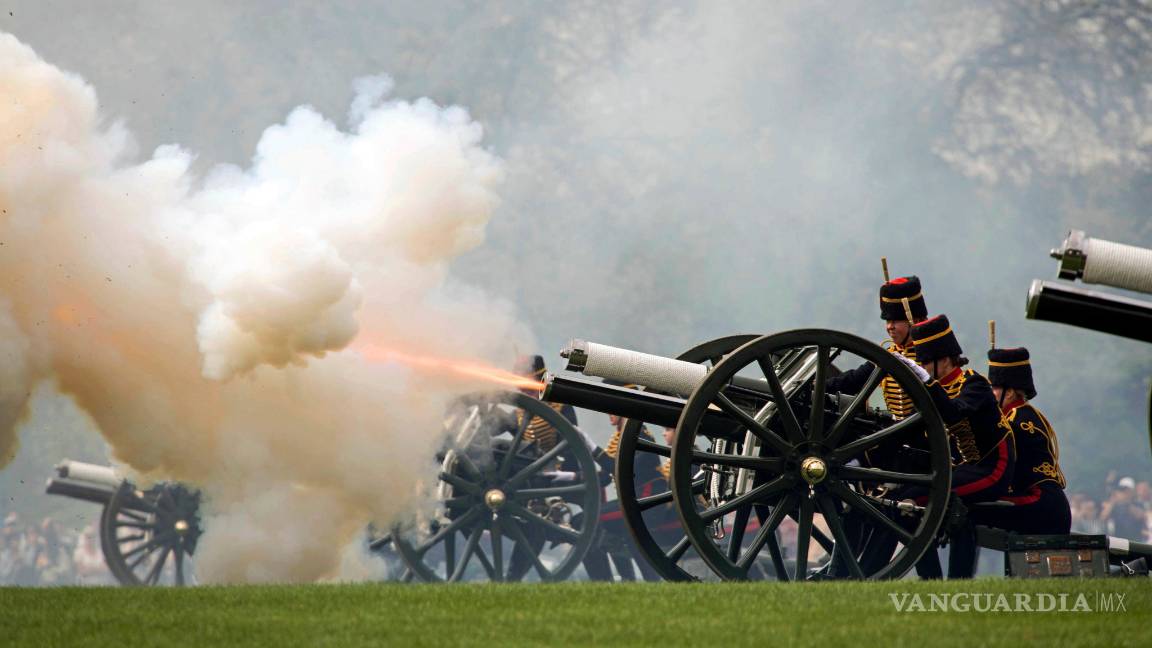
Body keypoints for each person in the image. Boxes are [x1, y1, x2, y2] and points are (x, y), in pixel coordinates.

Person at [894, 314, 1015, 578]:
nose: (922, 366)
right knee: (900, 502)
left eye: (926, 361)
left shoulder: (974, 383)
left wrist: (927, 383)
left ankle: (950, 579)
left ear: (946, 359)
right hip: (965, 469)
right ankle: (932, 581)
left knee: (910, 500)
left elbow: (954, 412)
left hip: (991, 469)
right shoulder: (934, 390)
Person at [966, 346, 1071, 534]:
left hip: (1040, 503)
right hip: (1047, 504)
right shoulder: (1026, 414)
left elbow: (988, 459)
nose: (991, 394)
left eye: (995, 388)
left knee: (967, 510)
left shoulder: (1016, 422)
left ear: (1010, 392)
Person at [1102, 477, 1148, 541]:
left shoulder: (1138, 503)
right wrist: (1113, 502)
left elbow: (1139, 516)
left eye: (1128, 490)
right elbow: (1103, 518)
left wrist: (1127, 502)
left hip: (1135, 540)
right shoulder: (1116, 505)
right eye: (1123, 491)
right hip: (1119, 540)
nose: (1125, 493)